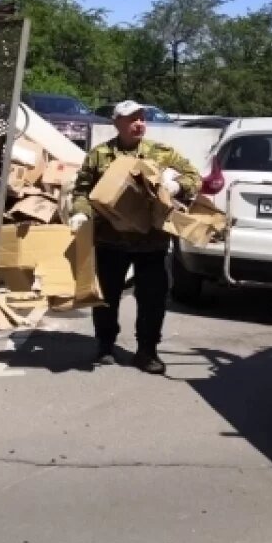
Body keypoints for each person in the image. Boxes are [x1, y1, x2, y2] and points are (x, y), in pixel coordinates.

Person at [69, 100, 202, 374]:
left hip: (151, 242)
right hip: (110, 239)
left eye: (142, 118)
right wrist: (80, 213)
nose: (139, 123)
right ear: (117, 123)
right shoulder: (99, 155)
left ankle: (147, 351)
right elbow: (81, 190)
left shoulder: (161, 153)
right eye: (132, 119)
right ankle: (105, 346)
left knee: (153, 299)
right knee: (107, 298)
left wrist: (176, 185)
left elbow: (194, 177)